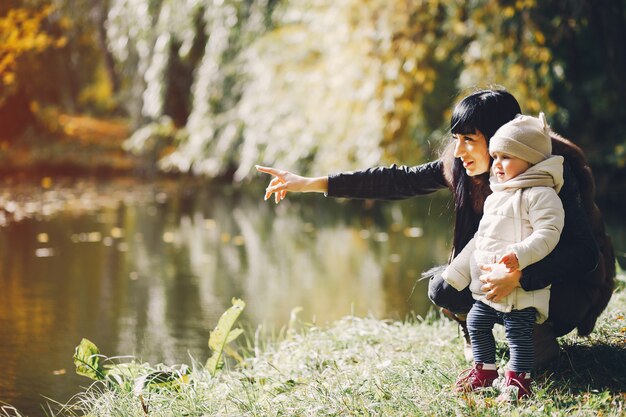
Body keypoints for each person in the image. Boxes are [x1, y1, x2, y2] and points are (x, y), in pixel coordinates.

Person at [256, 89, 615, 369]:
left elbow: (585, 256)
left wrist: (522, 276)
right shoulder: (460, 166)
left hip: (567, 290)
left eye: (469, 140)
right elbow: (395, 181)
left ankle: (537, 337)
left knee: (536, 344)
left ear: (501, 140)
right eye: (456, 138)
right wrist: (308, 183)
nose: (458, 150)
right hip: (504, 278)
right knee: (444, 285)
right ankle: (485, 332)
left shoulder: (553, 174)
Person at [443, 113, 564, 400]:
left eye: (506, 157)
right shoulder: (497, 195)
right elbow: (480, 239)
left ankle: (519, 382)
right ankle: (484, 370)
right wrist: (457, 271)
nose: (497, 165)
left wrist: (519, 256)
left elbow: (549, 232)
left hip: (521, 292)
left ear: (531, 160)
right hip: (489, 290)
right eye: (495, 156)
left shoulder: (541, 194)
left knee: (518, 336)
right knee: (475, 322)